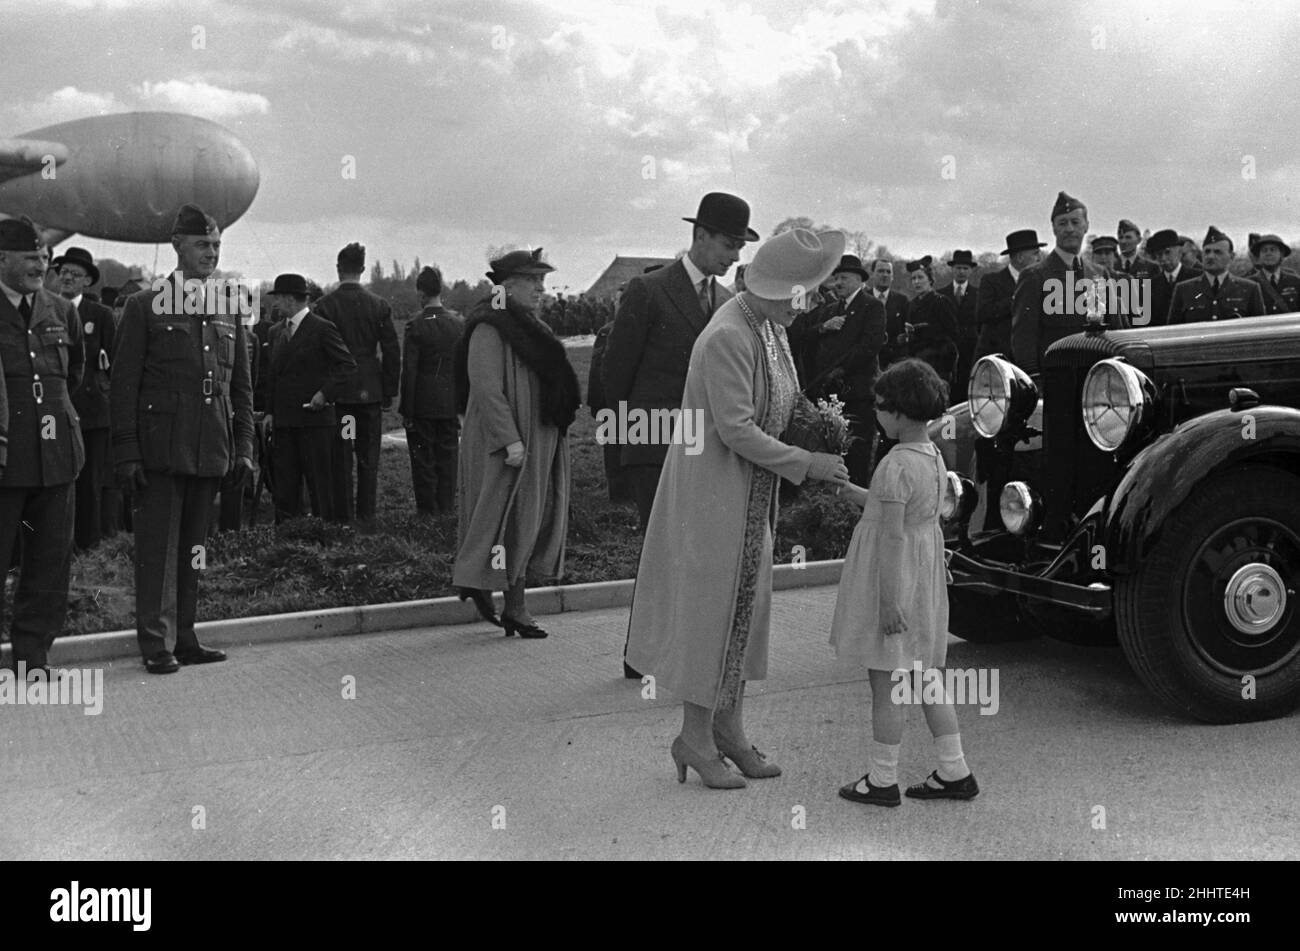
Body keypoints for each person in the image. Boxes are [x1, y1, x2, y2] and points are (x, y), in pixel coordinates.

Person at [625, 228, 851, 789]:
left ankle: (729, 730)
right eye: (810, 292)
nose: (815, 303)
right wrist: (808, 462)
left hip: (750, 496)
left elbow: (783, 399)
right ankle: (693, 739)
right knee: (712, 615)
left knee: (745, 617)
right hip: (712, 494)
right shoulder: (728, 334)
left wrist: (818, 426)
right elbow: (735, 429)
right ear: (784, 290)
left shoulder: (771, 328)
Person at [111, 203, 254, 674]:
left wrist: (244, 449)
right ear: (177, 246)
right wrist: (127, 452)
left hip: (210, 446)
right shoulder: (144, 305)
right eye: (201, 244)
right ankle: (157, 642)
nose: (210, 252)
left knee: (195, 547)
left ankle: (186, 635)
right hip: (160, 450)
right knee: (158, 551)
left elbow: (242, 389)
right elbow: (124, 387)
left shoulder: (229, 307)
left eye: (215, 245)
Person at [830, 357, 978, 806]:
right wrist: (850, 490)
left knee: (888, 682)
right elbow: (901, 513)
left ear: (896, 412)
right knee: (926, 677)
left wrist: (889, 603)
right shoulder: (931, 457)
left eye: (879, 406)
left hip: (894, 583)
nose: (875, 413)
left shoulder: (894, 464)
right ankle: (955, 770)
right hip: (923, 578)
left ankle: (882, 779)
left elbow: (891, 535)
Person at [602, 192, 756, 534]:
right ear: (700, 235)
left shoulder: (728, 302)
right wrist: (624, 447)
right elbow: (616, 374)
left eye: (739, 249)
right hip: (655, 443)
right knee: (662, 545)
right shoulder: (648, 289)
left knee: (697, 546)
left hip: (708, 445)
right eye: (729, 245)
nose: (734, 257)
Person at [452, 248, 580, 639]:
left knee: (526, 520)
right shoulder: (490, 326)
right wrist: (510, 441)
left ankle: (513, 604)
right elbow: (487, 389)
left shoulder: (526, 324)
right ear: (508, 286)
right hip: (506, 444)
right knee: (499, 519)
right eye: (534, 281)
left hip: (536, 438)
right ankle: (498, 596)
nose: (542, 288)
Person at [0, 217, 81, 680]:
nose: (41, 264)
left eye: (44, 257)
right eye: (31, 257)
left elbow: (74, 377)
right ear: (3, 259)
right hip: (6, 459)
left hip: (56, 458)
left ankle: (33, 658)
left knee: (50, 563)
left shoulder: (60, 310)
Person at [312, 243, 400, 523]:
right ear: (363, 269)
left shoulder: (325, 306)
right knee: (368, 459)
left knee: (341, 458)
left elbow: (318, 353)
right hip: (369, 393)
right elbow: (392, 352)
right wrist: (388, 391)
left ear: (339, 268)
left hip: (340, 395)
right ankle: (366, 516)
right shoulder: (379, 305)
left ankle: (343, 517)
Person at [262, 273, 357, 523]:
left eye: (279, 298)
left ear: (291, 299)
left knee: (319, 488)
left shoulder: (322, 328)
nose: (275, 304)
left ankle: (322, 540)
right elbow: (273, 376)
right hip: (284, 423)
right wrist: (270, 412)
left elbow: (346, 365)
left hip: (314, 423)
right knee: (285, 489)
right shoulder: (275, 332)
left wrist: (324, 394)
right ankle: (287, 542)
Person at [789, 253, 887, 485]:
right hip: (831, 396)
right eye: (836, 278)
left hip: (858, 395)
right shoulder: (830, 309)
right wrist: (822, 328)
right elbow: (801, 333)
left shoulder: (872, 307)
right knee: (834, 456)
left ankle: (856, 508)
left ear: (858, 280)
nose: (838, 283)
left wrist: (840, 370)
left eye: (844, 277)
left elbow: (869, 347)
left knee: (857, 457)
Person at [52, 246, 117, 549]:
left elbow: (115, 361)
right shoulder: (47, 308)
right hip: (55, 411)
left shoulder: (100, 315)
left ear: (87, 281)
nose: (67, 278)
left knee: (90, 482)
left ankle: (89, 546)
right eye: (63, 272)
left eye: (74, 274)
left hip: (91, 413)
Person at [1010, 191, 1106, 375]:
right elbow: (1023, 338)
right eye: (1062, 223)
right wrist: (1033, 380)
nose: (1069, 229)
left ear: (1086, 226)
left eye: (1075, 222)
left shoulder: (1098, 274)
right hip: (1056, 381)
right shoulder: (1034, 276)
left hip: (1096, 380)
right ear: (1053, 228)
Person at [400, 266, 463, 516]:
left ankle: (428, 511)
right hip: (450, 402)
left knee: (423, 460)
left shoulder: (415, 325)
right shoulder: (458, 324)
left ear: (421, 293)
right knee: (448, 459)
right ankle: (446, 509)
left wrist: (407, 409)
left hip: (422, 404)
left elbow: (410, 372)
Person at [1167, 227, 1265, 325]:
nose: (1210, 256)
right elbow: (1173, 331)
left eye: (1217, 252)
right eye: (1207, 252)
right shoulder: (1184, 289)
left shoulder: (1249, 289)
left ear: (1231, 256)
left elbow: (1259, 330)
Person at [973, 229, 1043, 362]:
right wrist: (1018, 299)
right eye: (1035, 254)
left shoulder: (1041, 282)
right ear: (1020, 257)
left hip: (1030, 360)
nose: (1039, 258)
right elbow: (983, 313)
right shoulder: (991, 281)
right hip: (998, 360)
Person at [902, 256, 959, 386]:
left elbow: (953, 335)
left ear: (930, 279)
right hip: (916, 366)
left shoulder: (941, 302)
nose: (917, 282)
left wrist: (925, 330)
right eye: (913, 278)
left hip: (938, 367)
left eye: (920, 277)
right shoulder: (912, 305)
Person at [939, 249, 979, 393]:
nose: (961, 271)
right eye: (958, 268)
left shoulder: (979, 294)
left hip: (970, 354)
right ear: (952, 269)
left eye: (965, 268)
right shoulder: (941, 294)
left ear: (971, 271)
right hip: (946, 355)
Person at [1146, 228, 1201, 327]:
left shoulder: (1198, 278)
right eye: (1159, 254)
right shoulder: (1151, 286)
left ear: (1179, 252)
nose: (1163, 258)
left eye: (1167, 252)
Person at [1246, 234, 1300, 315]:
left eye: (1273, 250)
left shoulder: (1295, 281)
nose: (1268, 253)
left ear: (1281, 254)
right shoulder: (1248, 284)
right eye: (1264, 250)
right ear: (1259, 256)